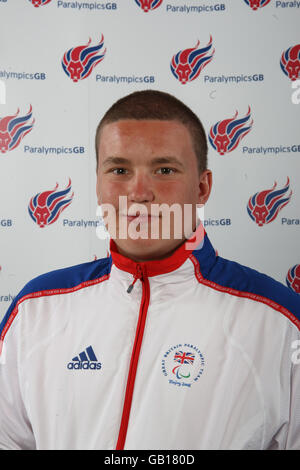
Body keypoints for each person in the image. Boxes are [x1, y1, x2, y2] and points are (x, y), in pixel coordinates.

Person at [0, 90, 300, 450]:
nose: (139, 193)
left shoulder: (279, 321)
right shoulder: (37, 308)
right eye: (120, 170)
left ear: (202, 187)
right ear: (97, 183)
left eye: (164, 170)